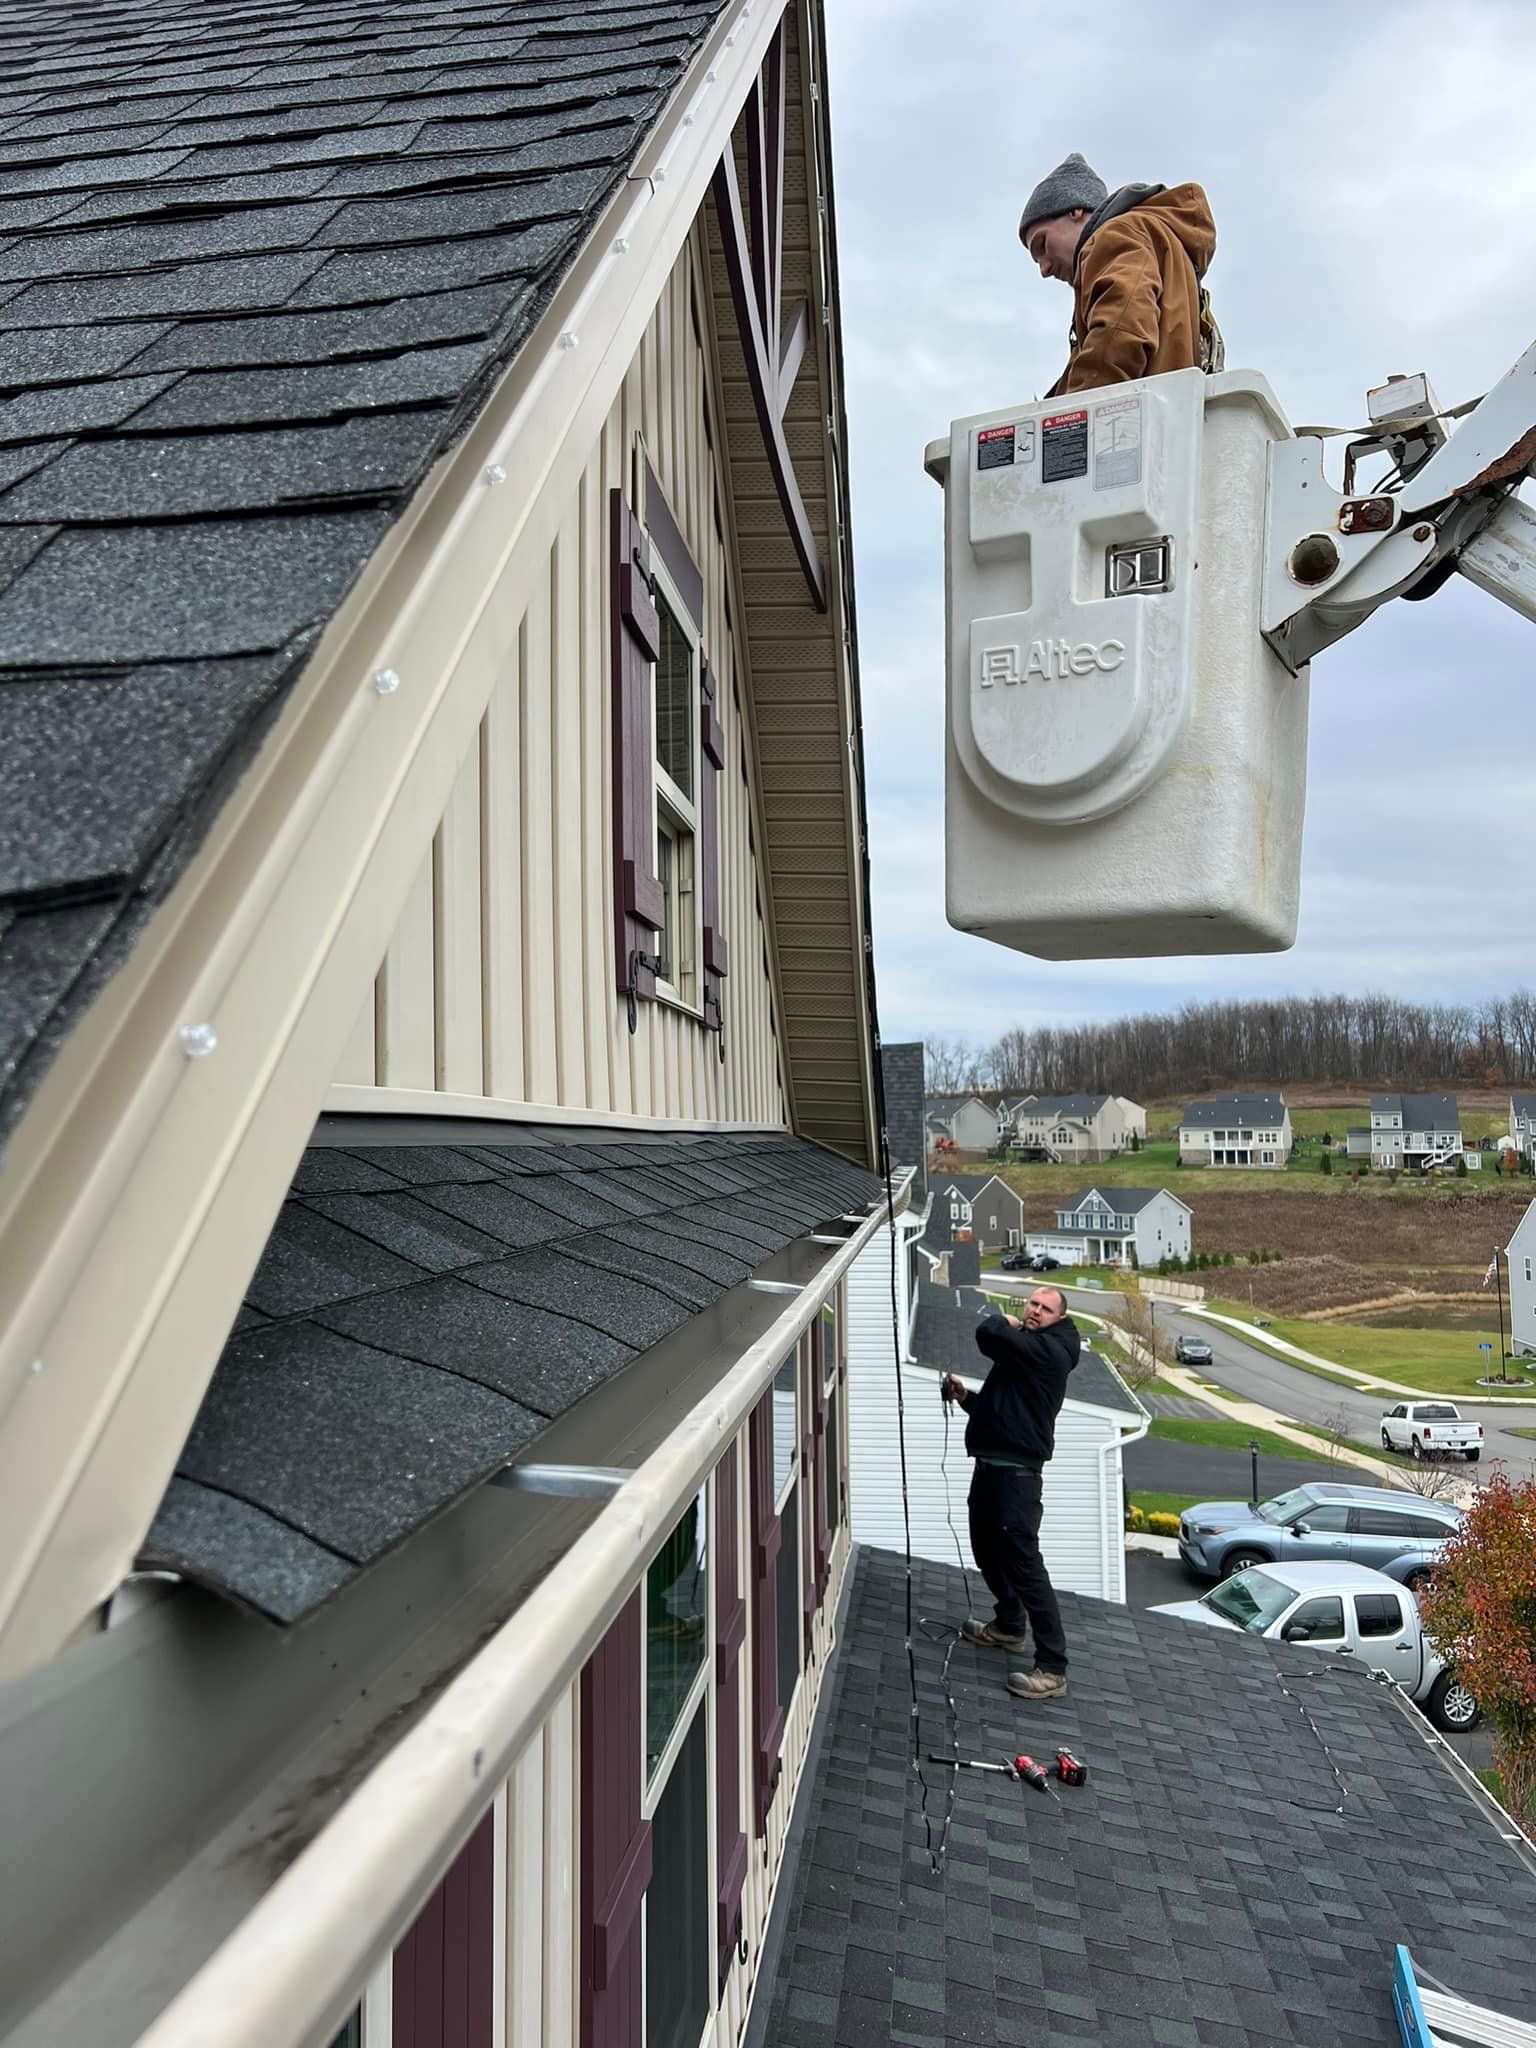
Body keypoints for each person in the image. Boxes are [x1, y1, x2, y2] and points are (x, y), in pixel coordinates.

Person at [944, 1285, 1079, 1700]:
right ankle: (1008, 1626)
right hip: (991, 1469)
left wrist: (1007, 1320)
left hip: (1017, 1477)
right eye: (1033, 1304)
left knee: (1025, 1566)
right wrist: (967, 1398)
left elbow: (989, 1334)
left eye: (1045, 1308)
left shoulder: (1052, 1353)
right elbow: (1008, 1409)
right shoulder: (1030, 1350)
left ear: (1060, 1318)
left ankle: (1052, 1668)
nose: (1036, 1311)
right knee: (985, 1548)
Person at [1018, 151, 1223, 397]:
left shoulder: (1115, 235)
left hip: (1138, 425)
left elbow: (1120, 332)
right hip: (1169, 418)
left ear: (1076, 212)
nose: (1044, 269)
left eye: (1042, 245)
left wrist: (1071, 417)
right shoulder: (1156, 242)